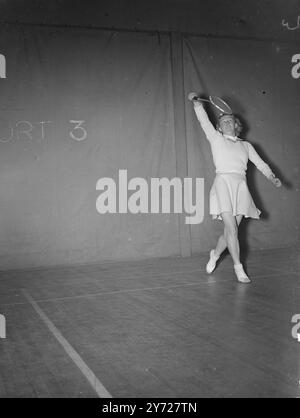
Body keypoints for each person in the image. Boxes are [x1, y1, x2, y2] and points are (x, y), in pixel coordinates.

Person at [188, 93, 281, 283]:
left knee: (230, 231)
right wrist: (197, 104)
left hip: (240, 186)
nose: (227, 124)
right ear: (219, 127)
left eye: (230, 121)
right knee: (231, 229)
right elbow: (204, 121)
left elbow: (261, 164)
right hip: (223, 184)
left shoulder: (246, 146)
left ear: (236, 125)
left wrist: (271, 176)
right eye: (223, 122)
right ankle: (239, 268)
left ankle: (215, 254)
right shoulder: (215, 139)